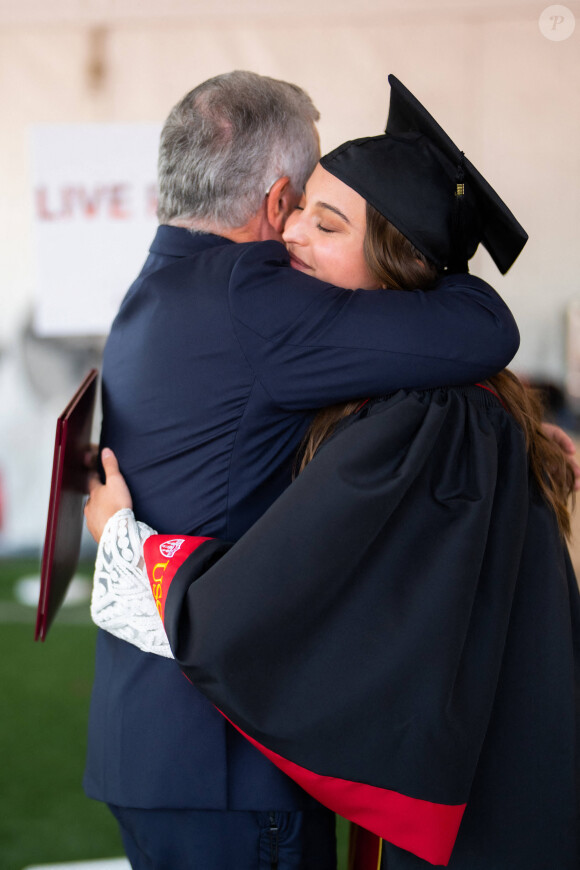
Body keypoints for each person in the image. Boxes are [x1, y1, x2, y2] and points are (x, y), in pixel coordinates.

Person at [86, 76, 579, 869]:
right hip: (223, 757)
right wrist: (119, 551)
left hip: (170, 742)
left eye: (330, 219)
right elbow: (483, 325)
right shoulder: (265, 304)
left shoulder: (166, 282)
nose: (292, 238)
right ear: (275, 196)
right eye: (303, 208)